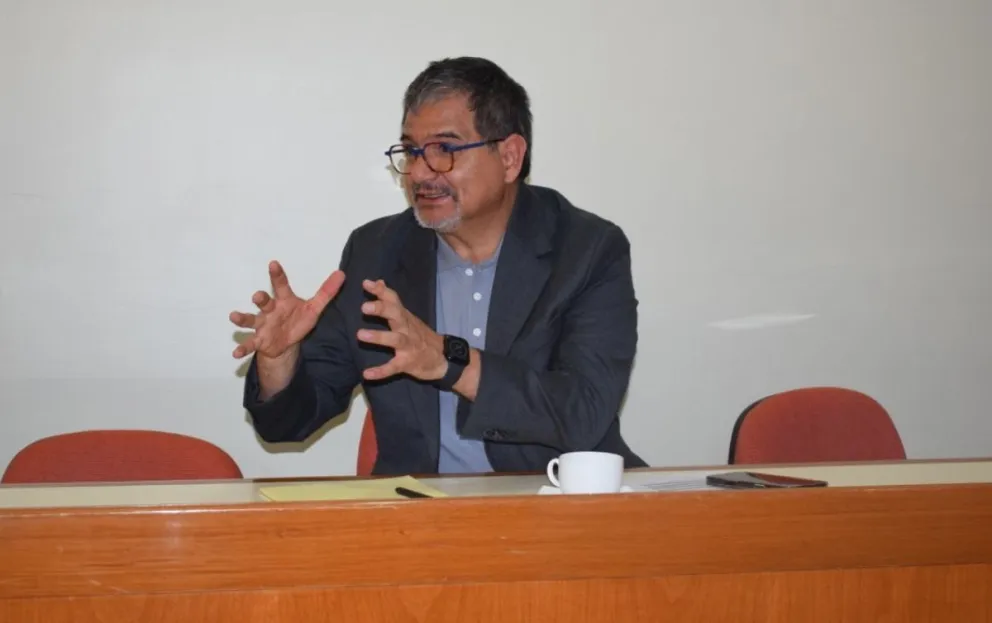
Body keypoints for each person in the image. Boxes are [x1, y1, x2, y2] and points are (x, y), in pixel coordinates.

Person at [230, 56, 646, 475]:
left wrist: (451, 362)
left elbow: (584, 412)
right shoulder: (376, 252)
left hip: (552, 498)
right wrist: (280, 361)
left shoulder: (586, 250)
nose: (419, 173)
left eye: (444, 150)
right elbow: (288, 424)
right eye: (411, 151)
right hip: (419, 505)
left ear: (509, 157)